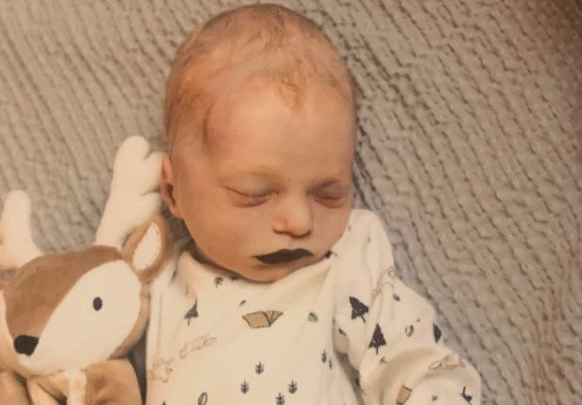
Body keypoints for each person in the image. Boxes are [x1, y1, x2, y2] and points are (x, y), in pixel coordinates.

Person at [144, 3, 481, 404]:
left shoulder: (342, 263)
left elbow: (418, 365)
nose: (299, 220)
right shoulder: (152, 280)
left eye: (328, 194)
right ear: (173, 191)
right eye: (254, 194)